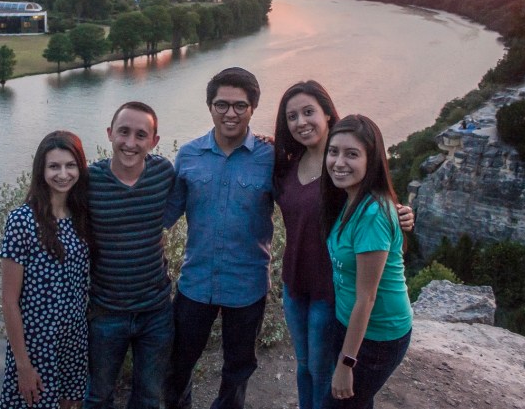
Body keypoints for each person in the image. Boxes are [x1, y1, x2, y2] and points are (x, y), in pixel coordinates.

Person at [272, 81, 413, 409]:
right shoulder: (286, 164)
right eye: (292, 116)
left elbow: (378, 209)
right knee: (305, 366)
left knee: (326, 374)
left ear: (328, 115)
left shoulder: (343, 174)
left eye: (309, 112)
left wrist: (402, 214)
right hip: (294, 284)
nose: (301, 122)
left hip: (329, 292)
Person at [164, 67, 274, 409]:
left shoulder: (271, 158)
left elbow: (309, 197)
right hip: (196, 283)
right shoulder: (189, 156)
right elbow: (164, 217)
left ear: (253, 108)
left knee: (238, 369)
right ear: (209, 106)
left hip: (248, 286)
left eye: (240, 106)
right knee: (178, 363)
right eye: (221, 104)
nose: (230, 113)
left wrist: (386, 206)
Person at [84, 102, 176, 409]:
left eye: (141, 135)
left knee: (149, 398)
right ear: (110, 134)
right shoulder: (88, 181)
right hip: (106, 312)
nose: (131, 142)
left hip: (156, 311)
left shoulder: (164, 173)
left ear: (154, 141)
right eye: (123, 132)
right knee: (98, 397)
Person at [321, 115, 413, 408]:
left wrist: (347, 364)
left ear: (371, 160)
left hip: (378, 336)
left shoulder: (372, 213)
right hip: (352, 326)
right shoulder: (350, 199)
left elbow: (367, 297)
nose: (338, 162)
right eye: (333, 151)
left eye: (352, 154)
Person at [0, 131, 91, 409]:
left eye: (70, 165)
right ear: (41, 170)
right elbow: (9, 300)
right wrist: (22, 365)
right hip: (38, 344)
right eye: (54, 166)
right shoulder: (22, 221)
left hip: (75, 340)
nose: (63, 174)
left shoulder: (81, 217)